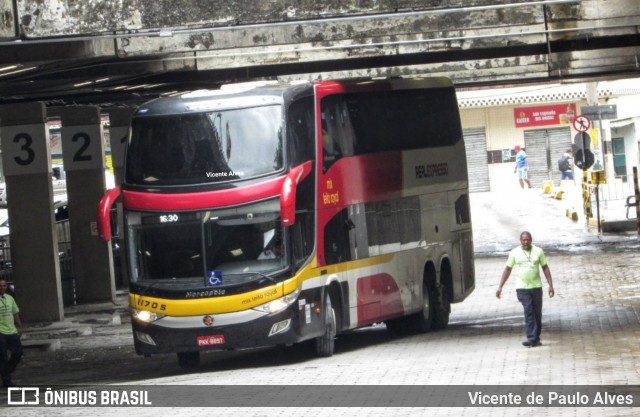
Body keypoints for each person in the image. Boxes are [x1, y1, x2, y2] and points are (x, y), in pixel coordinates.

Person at [496, 231, 555, 347]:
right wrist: (500, 287)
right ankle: (532, 338)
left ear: (531, 240)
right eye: (523, 240)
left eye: (528, 240)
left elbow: (545, 268)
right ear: (520, 241)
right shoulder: (514, 253)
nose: (526, 242)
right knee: (529, 310)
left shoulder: (538, 251)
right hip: (522, 288)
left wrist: (550, 285)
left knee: (537, 314)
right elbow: (508, 269)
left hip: (536, 287)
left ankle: (536, 338)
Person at [0, 279, 22, 387]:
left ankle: (5, 372)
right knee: (3, 356)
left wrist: (19, 326)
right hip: (1, 332)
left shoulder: (10, 298)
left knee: (18, 353)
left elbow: (15, 313)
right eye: (0, 286)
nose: (2, 288)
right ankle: (6, 380)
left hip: (11, 330)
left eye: (4, 286)